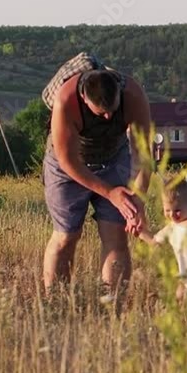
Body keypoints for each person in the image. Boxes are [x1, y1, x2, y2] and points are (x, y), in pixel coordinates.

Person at [42, 67, 153, 295]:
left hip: (114, 159)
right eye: (100, 113)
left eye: (112, 110)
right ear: (84, 98)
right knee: (66, 235)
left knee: (116, 235)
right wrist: (111, 193)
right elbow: (67, 161)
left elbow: (143, 153)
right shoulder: (66, 100)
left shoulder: (133, 94)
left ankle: (112, 308)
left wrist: (137, 200)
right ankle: (57, 304)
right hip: (68, 168)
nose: (108, 117)